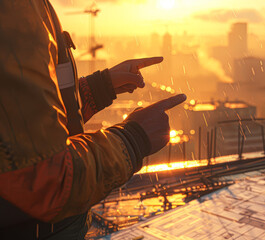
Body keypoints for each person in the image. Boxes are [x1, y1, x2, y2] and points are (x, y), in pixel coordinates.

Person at [0, 1, 186, 239]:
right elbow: (46, 180)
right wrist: (133, 138)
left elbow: (25, 120)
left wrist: (98, 88)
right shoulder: (16, 9)